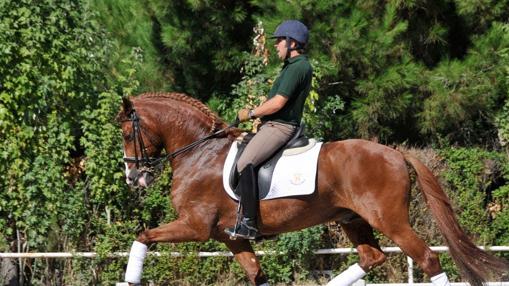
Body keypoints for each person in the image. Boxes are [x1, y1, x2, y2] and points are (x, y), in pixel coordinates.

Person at [224, 20, 313, 240]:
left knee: (245, 163)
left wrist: (251, 113)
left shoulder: (298, 67)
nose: (276, 46)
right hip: (272, 125)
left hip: (281, 126)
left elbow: (277, 104)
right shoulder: (290, 67)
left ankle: (250, 224)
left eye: (280, 41)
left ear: (292, 43)